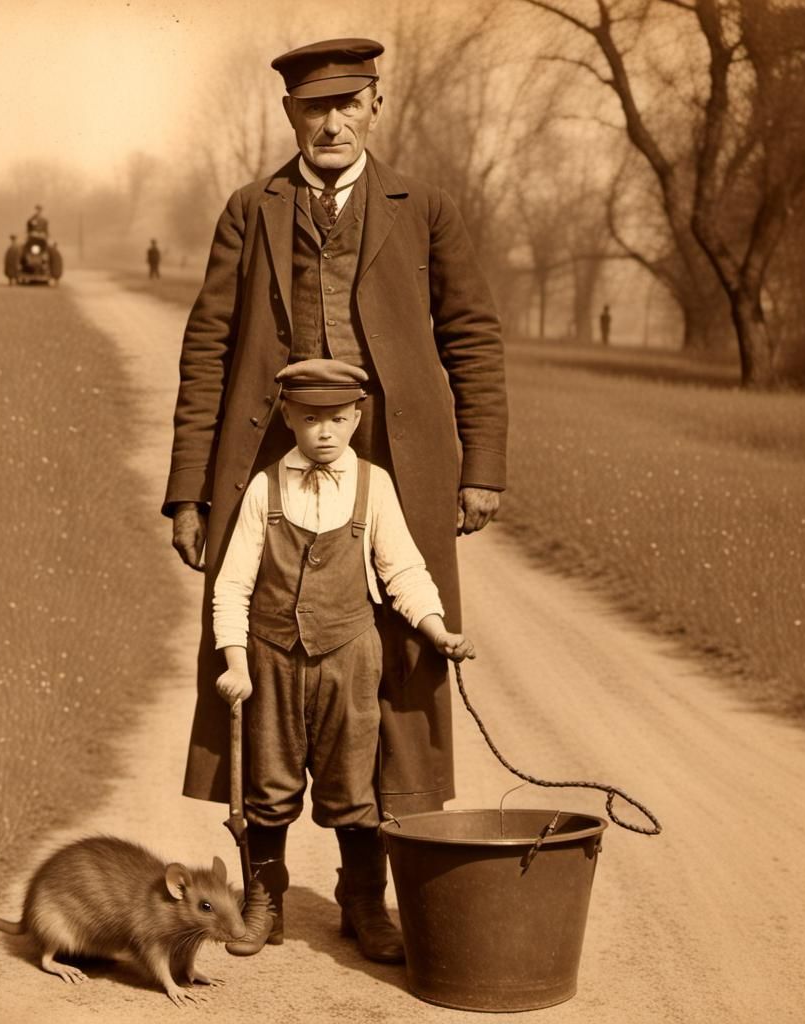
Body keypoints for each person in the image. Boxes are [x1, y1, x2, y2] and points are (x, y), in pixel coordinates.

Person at [164, 37, 507, 961]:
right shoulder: (251, 210)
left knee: (391, 675)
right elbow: (207, 351)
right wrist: (191, 493)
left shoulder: (425, 209)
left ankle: (367, 896)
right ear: (290, 116)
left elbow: (473, 335)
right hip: (268, 461)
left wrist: (480, 466)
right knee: (264, 678)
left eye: (349, 103)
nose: (332, 121)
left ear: (376, 105)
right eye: (315, 107)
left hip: (391, 461)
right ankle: (263, 891)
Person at [213, 358, 474, 959]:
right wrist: (235, 661)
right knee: (268, 787)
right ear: (288, 418)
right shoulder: (265, 488)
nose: (324, 431)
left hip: (351, 660)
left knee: (357, 788)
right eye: (310, 419)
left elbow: (402, 569)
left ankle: (363, 902)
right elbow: (233, 587)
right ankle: (264, 901)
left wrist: (438, 632)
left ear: (357, 417)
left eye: (337, 418)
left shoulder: (373, 485)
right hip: (272, 660)